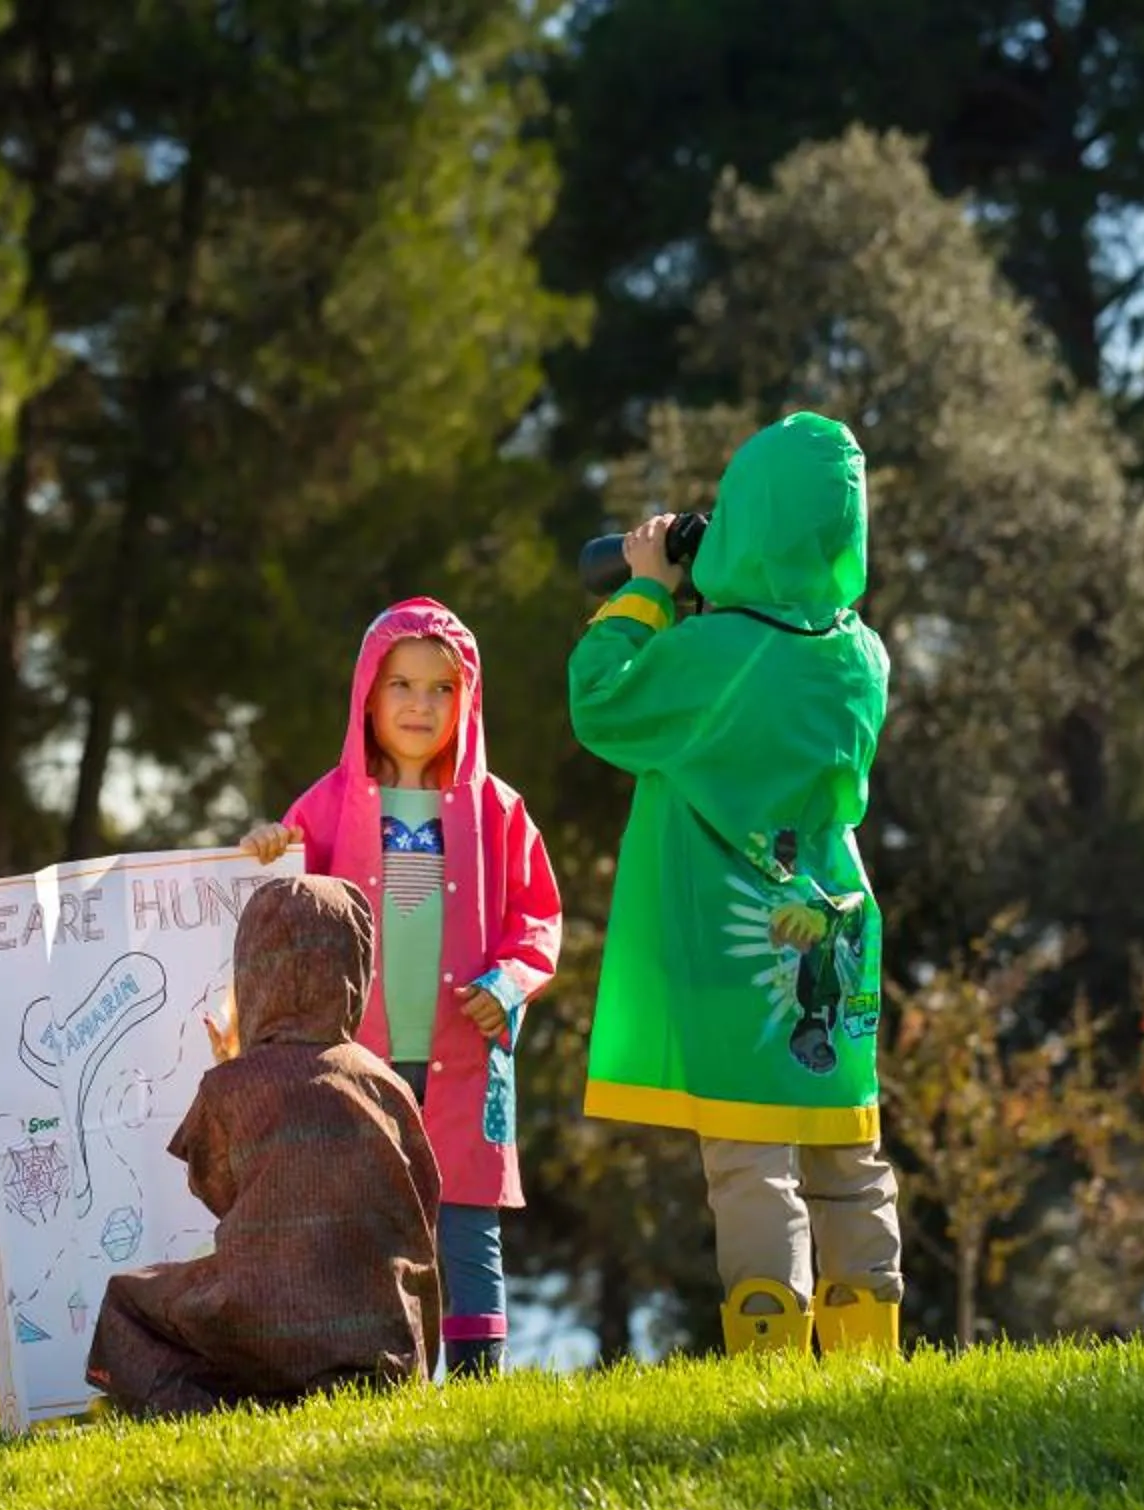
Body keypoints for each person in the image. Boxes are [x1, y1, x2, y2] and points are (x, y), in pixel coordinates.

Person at [564, 410, 903, 1360]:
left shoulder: (710, 658)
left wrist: (646, 591)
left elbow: (602, 701)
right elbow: (781, 646)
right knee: (849, 1152)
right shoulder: (860, 658)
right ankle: (870, 1351)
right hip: (837, 931)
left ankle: (770, 1353)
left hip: (734, 942)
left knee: (753, 1164)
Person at [239, 598, 561, 1377]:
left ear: (468, 699)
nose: (420, 705)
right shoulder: (326, 806)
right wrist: (270, 848)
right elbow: (286, 903)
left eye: (441, 689)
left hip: (462, 1052)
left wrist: (510, 982)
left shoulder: (498, 810)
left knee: (465, 1226)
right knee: (363, 1219)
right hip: (358, 1059)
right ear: (367, 697)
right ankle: (373, 1374)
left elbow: (538, 917)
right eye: (402, 686)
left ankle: (480, 1380)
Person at [84, 876, 441, 1416]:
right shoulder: (385, 1083)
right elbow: (425, 1198)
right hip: (383, 1344)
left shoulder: (232, 1085)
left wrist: (230, 1065)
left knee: (127, 1302)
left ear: (251, 971)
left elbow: (217, 1188)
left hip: (266, 1327)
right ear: (355, 967)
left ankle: (210, 1410)